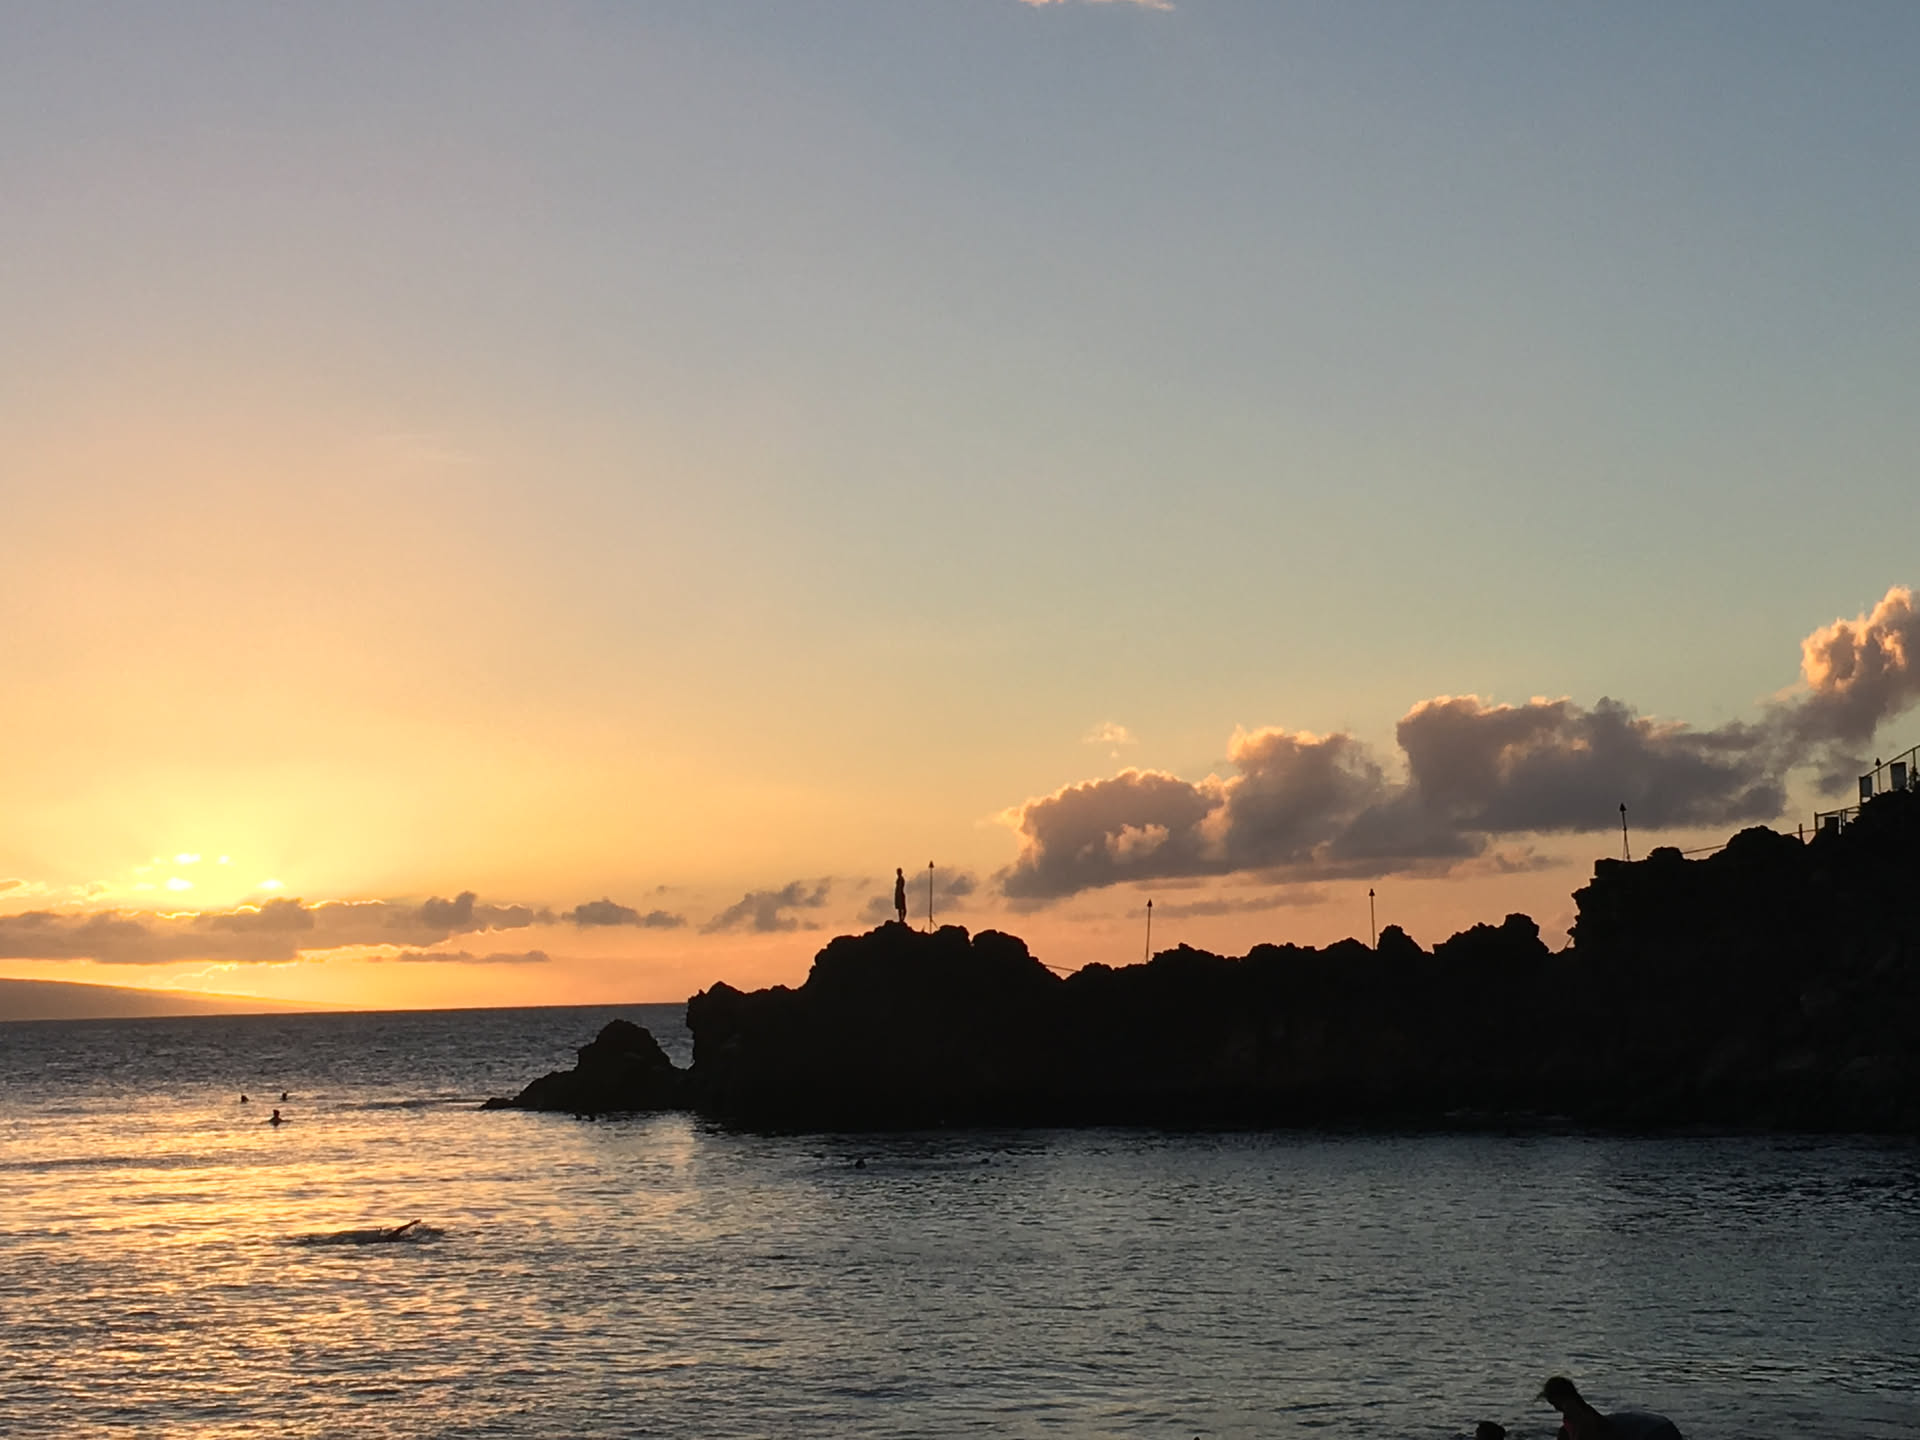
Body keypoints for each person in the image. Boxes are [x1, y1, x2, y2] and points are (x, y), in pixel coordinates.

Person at [1540, 1376, 1683, 1440]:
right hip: (1661, 1426)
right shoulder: (1586, 1413)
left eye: (1555, 1404)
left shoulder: (1580, 1416)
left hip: (1653, 1432)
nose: (1556, 1409)